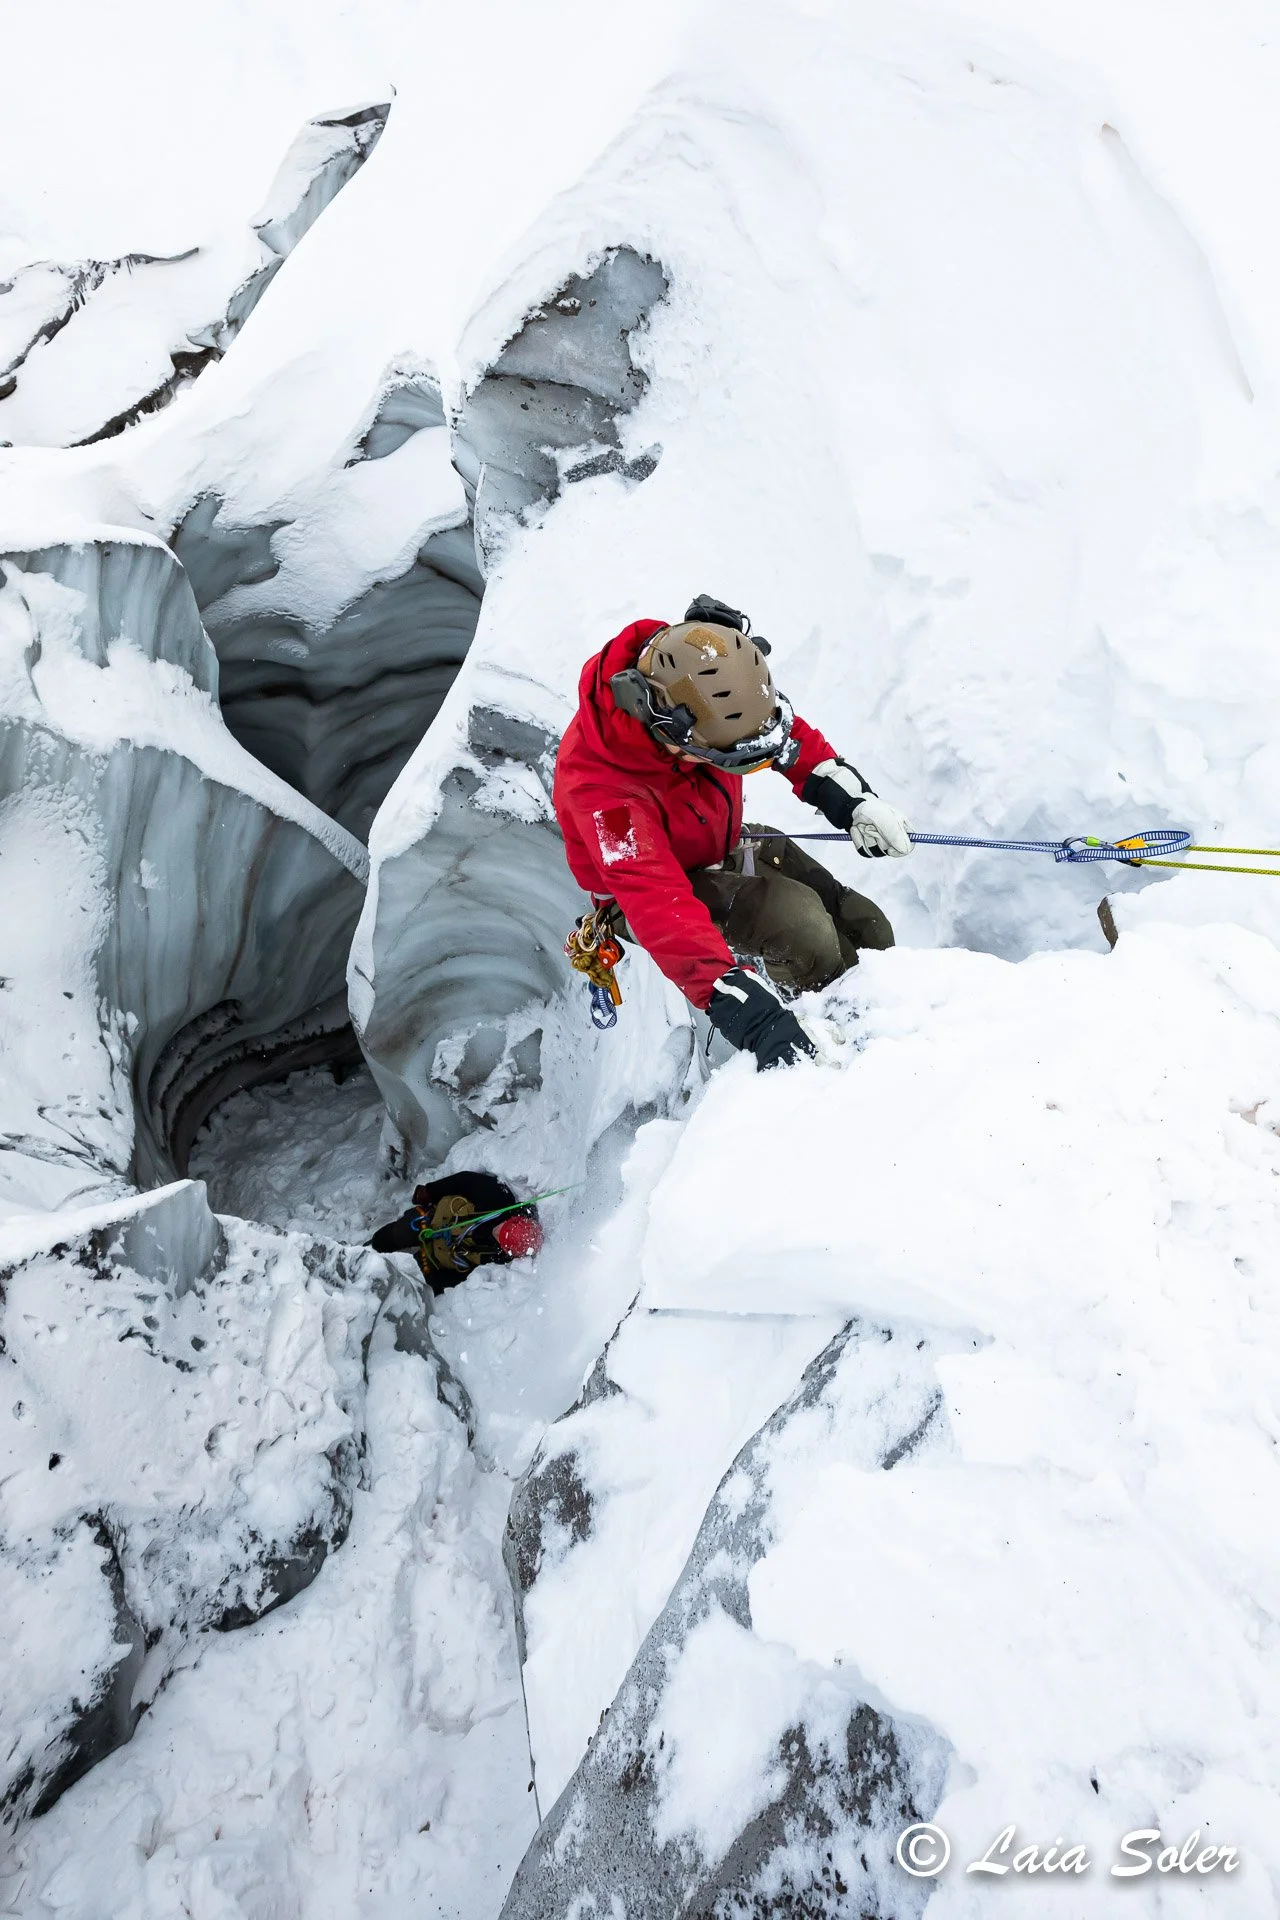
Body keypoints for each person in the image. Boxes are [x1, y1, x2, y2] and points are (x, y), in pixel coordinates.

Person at [553, 595, 913, 1070]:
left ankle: (892, 1025)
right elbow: (656, 902)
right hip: (649, 892)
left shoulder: (698, 676)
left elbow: (776, 734)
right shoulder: (603, 798)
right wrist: (752, 1017)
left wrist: (849, 798)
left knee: (863, 922)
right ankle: (839, 1057)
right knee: (800, 927)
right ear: (663, 727)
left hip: (718, 840)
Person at [370, 1172, 543, 1287]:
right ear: (513, 1219)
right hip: (431, 1219)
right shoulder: (497, 1198)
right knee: (396, 1234)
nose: (497, 1233)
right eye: (503, 1229)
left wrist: (438, 1282)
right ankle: (363, 1253)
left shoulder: (498, 1256)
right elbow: (463, 1182)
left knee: (408, 1281)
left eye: (502, 1240)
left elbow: (468, 1274)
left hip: (438, 1257)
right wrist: (430, 1191)